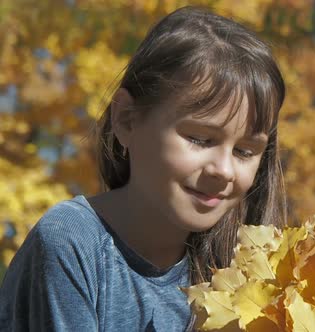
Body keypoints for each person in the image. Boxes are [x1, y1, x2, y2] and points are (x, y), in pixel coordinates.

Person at [0, 6, 287, 331]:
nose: (224, 170)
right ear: (127, 120)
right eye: (200, 139)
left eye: (244, 151)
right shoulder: (72, 245)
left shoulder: (244, 273)